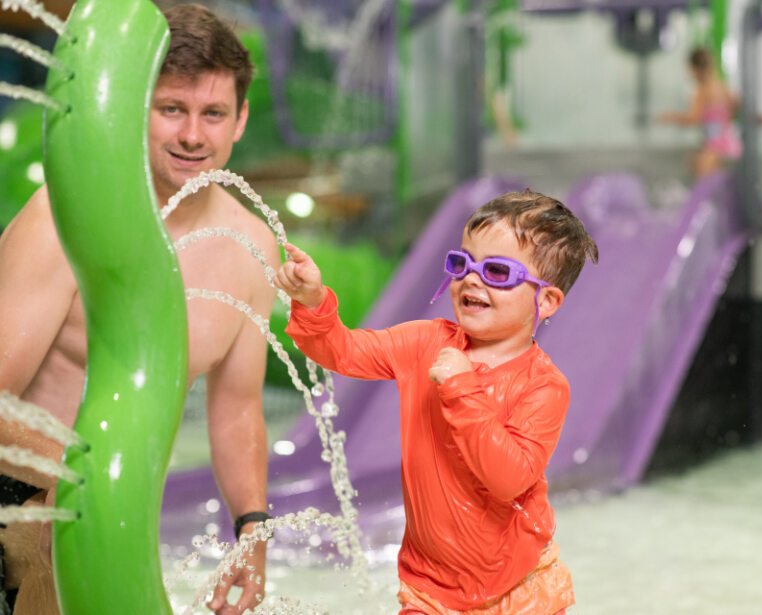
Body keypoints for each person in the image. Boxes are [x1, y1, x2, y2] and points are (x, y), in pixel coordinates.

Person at [0, 4, 278, 614]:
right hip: (21, 483)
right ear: (133, 110)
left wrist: (252, 530)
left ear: (240, 120)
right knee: (58, 528)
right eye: (171, 109)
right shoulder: (64, 220)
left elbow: (237, 410)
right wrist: (84, 477)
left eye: (213, 114)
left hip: (105, 499)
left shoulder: (252, 245)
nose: (193, 136)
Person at [274, 189, 599, 614]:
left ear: (546, 300)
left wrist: (463, 390)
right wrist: (313, 303)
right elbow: (343, 352)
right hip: (431, 587)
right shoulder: (425, 342)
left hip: (520, 587)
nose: (472, 279)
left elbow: (508, 479)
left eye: (498, 271)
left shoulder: (543, 386)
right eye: (463, 263)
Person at [659, 46, 742, 178]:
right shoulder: (723, 86)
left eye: (689, 69)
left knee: (705, 187)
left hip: (714, 147)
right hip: (731, 145)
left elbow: (693, 119)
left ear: (695, 69)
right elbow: (736, 107)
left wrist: (671, 117)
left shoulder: (701, 90)